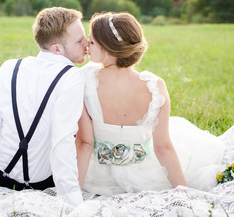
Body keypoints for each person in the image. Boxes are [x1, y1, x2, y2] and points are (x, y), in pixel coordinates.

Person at [76, 12, 225, 195]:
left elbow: (84, 142)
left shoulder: (83, 80)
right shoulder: (155, 87)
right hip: (146, 175)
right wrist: (184, 193)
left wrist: (73, 191)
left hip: (98, 177)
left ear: (108, 48)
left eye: (91, 42)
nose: (86, 45)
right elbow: (163, 148)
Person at [0, 7, 89, 206]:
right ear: (57, 49)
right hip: (40, 183)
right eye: (79, 40)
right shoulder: (73, 77)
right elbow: (61, 142)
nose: (87, 43)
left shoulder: (8, 67)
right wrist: (72, 199)